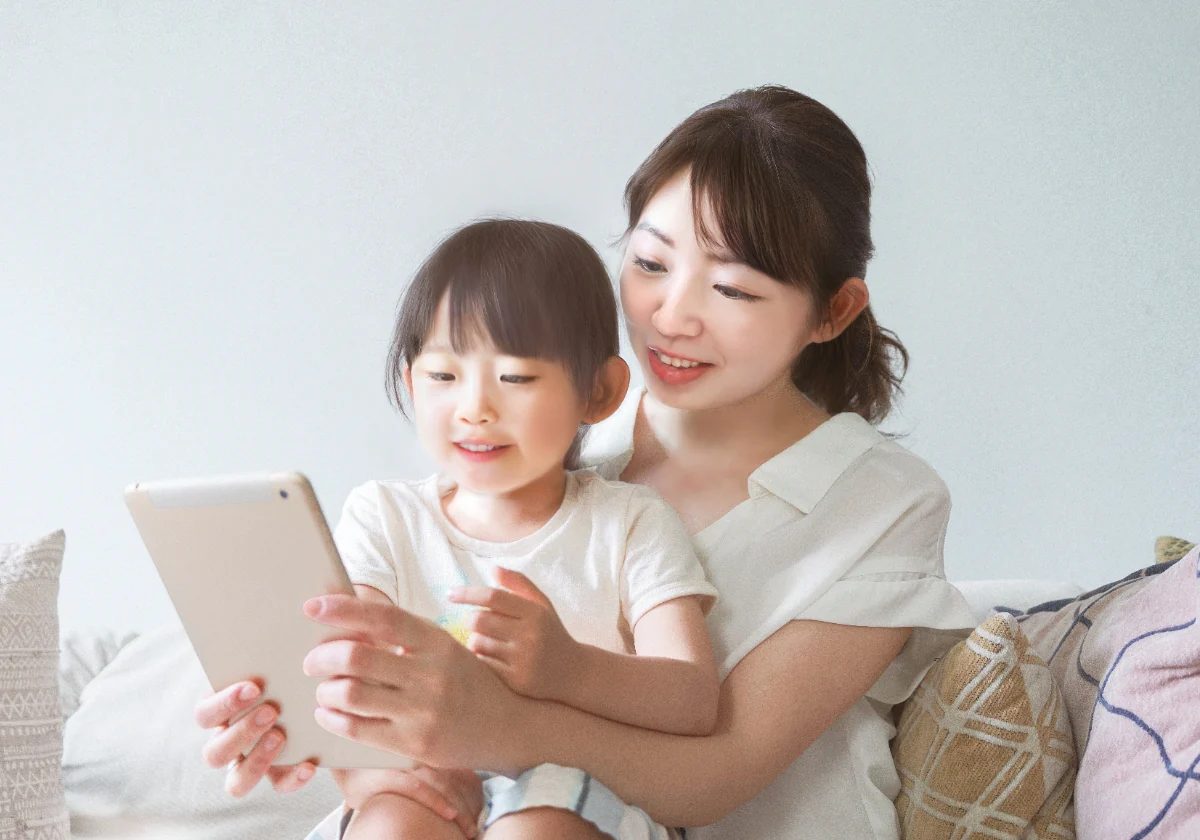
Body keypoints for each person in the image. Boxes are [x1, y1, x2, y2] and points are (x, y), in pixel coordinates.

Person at [197, 85, 978, 839]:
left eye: (733, 290)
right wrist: (311, 726)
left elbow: (721, 772)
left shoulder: (881, 501)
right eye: (651, 263)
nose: (672, 316)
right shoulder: (542, 443)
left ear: (833, 311)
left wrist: (492, 723)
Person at [203, 218, 720, 840]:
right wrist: (292, 727)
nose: (475, 407)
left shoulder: (630, 522)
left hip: (576, 791)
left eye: (516, 377)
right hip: (423, 783)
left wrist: (569, 668)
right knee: (395, 821)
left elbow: (693, 700)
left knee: (538, 827)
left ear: (599, 391)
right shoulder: (385, 517)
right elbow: (345, 674)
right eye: (444, 377)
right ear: (410, 383)